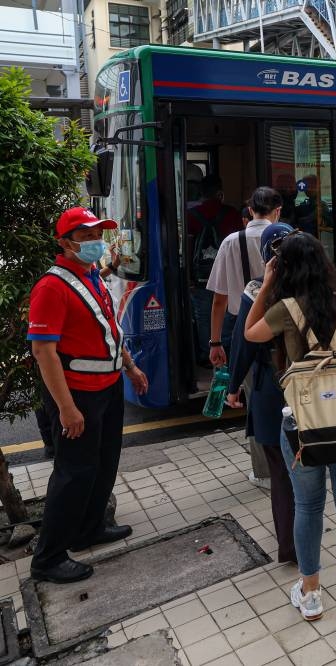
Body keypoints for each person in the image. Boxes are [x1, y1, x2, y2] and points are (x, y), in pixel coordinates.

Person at [244, 232, 336, 638]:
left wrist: (268, 282)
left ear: (285, 268)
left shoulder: (285, 309)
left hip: (303, 430)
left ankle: (311, 595)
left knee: (308, 508)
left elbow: (250, 332)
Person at [27, 207, 149, 583]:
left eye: (98, 234)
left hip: (108, 388)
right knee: (73, 473)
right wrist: (65, 409)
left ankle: (89, 528)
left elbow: (110, 329)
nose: (95, 242)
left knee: (104, 461)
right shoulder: (51, 287)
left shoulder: (91, 276)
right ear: (64, 243)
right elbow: (43, 352)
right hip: (77, 397)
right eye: (86, 236)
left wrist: (130, 367)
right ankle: (47, 558)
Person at [224, 222, 298, 564]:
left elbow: (243, 343)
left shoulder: (257, 291)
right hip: (311, 391)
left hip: (272, 391)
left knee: (281, 473)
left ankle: (290, 547)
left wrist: (234, 384)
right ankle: (307, 536)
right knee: (308, 469)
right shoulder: (317, 287)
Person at [207, 187, 282, 487]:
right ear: (278, 210)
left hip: (245, 327)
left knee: (256, 401)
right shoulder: (287, 238)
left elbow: (219, 300)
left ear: (250, 210)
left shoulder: (230, 242)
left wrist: (215, 342)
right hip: (284, 326)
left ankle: (265, 473)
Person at [187, 174, 243, 368]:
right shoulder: (232, 213)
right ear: (220, 193)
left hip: (201, 276)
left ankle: (208, 355)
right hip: (229, 275)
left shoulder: (192, 215)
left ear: (201, 193)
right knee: (228, 313)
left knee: (204, 316)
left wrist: (189, 276)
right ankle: (227, 350)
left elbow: (187, 246)